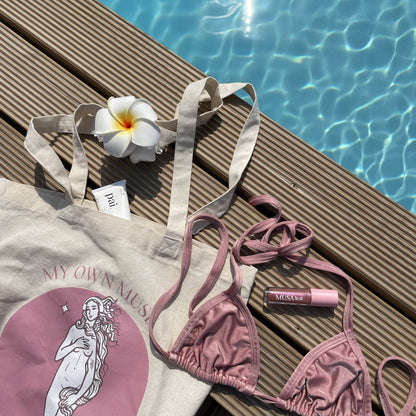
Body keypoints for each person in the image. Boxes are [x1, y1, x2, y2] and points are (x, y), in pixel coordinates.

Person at [44, 296, 119, 416]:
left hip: (76, 387)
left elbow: (91, 371)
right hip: (60, 379)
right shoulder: (75, 329)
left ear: (99, 310)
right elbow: (58, 355)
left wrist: (76, 397)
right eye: (88, 309)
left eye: (93, 308)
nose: (90, 312)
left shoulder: (97, 338)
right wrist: (75, 346)